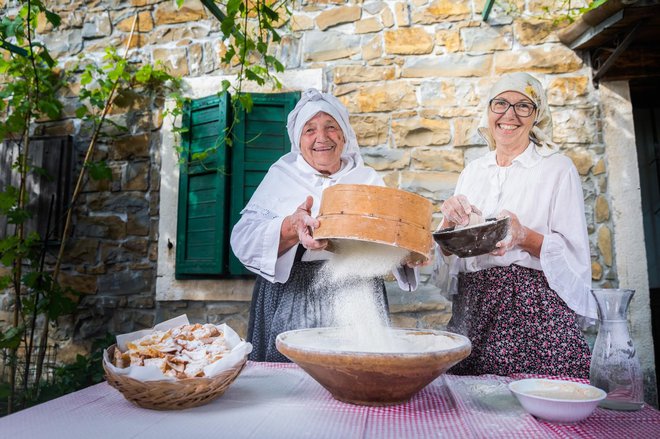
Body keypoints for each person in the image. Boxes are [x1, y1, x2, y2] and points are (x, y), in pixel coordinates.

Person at [231, 88, 418, 362]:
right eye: (310, 130)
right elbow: (243, 239)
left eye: (331, 127)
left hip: (358, 295)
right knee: (293, 382)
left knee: (354, 373)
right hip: (292, 294)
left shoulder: (367, 179)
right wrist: (291, 227)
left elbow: (391, 240)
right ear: (298, 139)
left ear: (344, 135)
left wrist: (407, 254)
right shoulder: (282, 176)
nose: (322, 137)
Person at [433, 72, 596, 378]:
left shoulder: (556, 168)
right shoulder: (473, 172)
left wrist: (522, 236)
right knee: (472, 412)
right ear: (489, 111)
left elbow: (574, 254)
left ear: (537, 116)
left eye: (523, 106)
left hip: (534, 311)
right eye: (501, 103)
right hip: (474, 308)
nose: (509, 115)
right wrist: (447, 228)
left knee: (545, 412)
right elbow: (450, 264)